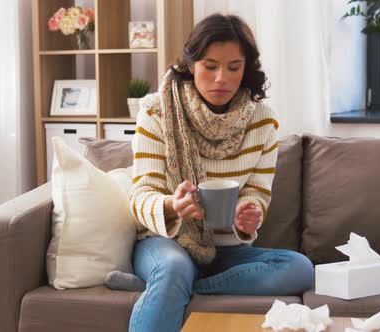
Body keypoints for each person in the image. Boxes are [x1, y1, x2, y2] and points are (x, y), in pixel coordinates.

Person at [105, 13, 314, 332]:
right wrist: (171, 206)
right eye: (210, 65)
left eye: (233, 67)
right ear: (191, 65)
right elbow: (141, 193)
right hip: (166, 241)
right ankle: (173, 281)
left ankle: (186, 286)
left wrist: (250, 214)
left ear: (246, 69)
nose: (221, 78)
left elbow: (257, 192)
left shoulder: (262, 120)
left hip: (226, 249)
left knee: (300, 268)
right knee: (174, 268)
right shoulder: (156, 111)